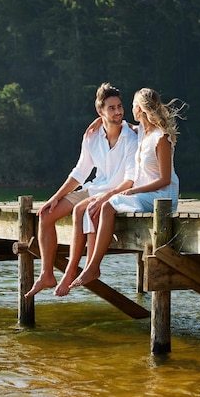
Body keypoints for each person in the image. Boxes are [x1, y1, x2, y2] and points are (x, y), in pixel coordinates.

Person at [24, 83, 138, 298]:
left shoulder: (131, 137)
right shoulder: (92, 136)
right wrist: (55, 197)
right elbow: (80, 172)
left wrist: (106, 196)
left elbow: (131, 179)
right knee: (46, 215)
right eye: (111, 108)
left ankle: (71, 272)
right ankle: (46, 274)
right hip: (94, 187)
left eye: (119, 106)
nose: (118, 111)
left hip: (116, 192)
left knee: (81, 211)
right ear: (100, 112)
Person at [68, 87, 183, 289]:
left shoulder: (161, 138)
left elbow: (165, 180)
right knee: (100, 204)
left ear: (138, 108)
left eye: (130, 106)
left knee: (108, 205)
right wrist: (98, 120)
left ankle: (94, 266)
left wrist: (133, 190)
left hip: (162, 197)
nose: (127, 110)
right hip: (144, 194)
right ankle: (90, 266)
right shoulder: (141, 133)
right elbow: (117, 124)